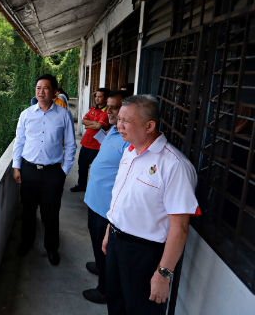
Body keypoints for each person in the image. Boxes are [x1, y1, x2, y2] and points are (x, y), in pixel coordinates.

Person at [102, 95, 199, 314]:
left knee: (141, 310)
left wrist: (163, 274)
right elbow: (121, 199)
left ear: (149, 126)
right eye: (119, 119)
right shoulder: (129, 152)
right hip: (118, 243)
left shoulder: (175, 165)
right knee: (116, 304)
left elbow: (180, 228)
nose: (119, 125)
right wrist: (110, 230)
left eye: (126, 120)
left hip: (145, 254)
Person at [13, 74, 77, 266]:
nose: (41, 92)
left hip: (52, 173)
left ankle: (51, 248)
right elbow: (20, 141)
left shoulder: (63, 115)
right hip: (29, 170)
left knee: (51, 213)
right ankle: (27, 241)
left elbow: (71, 145)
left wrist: (63, 171)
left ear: (54, 92)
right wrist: (17, 167)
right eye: (38, 88)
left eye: (46, 88)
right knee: (28, 210)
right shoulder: (26, 114)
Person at [81, 90, 132, 304]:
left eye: (115, 108)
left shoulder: (128, 141)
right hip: (95, 202)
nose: (109, 111)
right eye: (108, 107)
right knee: (96, 243)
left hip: (107, 208)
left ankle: (104, 290)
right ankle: (99, 266)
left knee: (105, 249)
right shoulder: (112, 131)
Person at [71, 87, 110, 192]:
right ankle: (81, 185)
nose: (97, 99)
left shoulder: (107, 112)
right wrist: (94, 124)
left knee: (96, 169)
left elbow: (98, 127)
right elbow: (83, 120)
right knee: (82, 166)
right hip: (85, 143)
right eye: (96, 96)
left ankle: (94, 189)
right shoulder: (93, 109)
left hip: (97, 145)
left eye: (99, 97)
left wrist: (90, 124)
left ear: (106, 99)